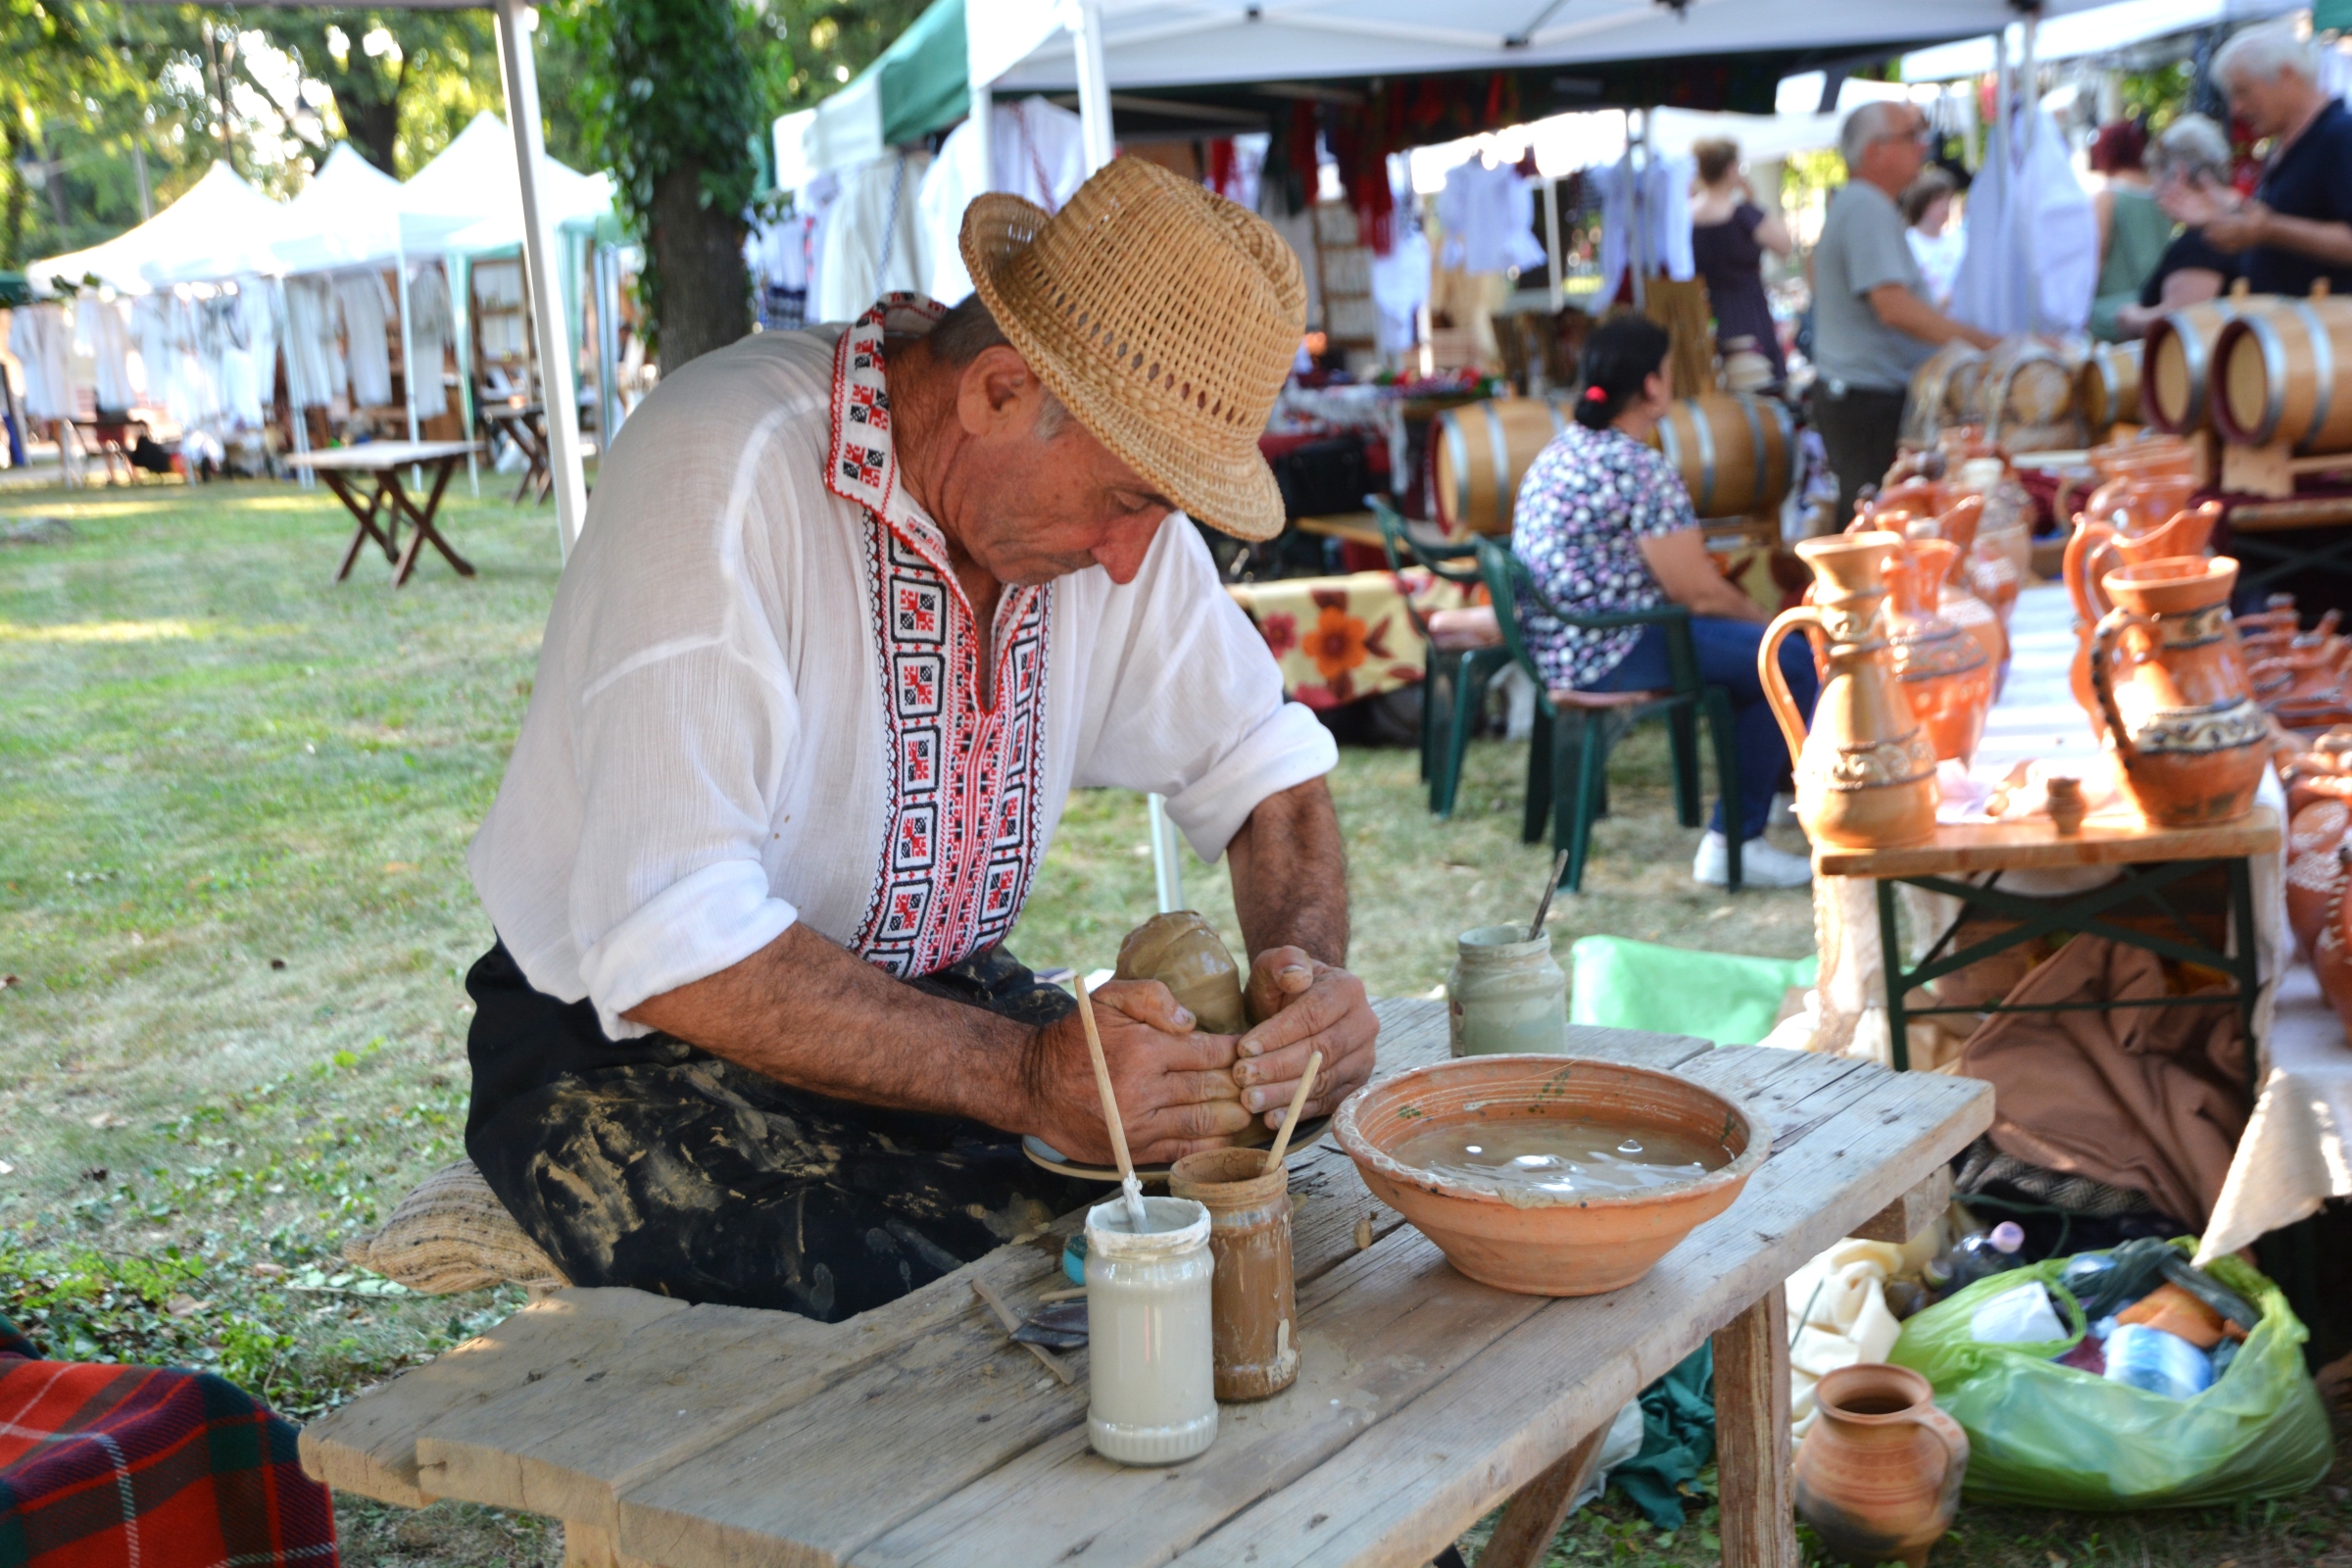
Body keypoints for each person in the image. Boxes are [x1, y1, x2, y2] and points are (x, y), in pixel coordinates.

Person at [461, 159, 1381, 1322]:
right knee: (1010, 1303)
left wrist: (1307, 977)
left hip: (923, 1004)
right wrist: (1028, 1078)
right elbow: (670, 933)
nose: (1133, 558)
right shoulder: (728, 467)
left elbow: (1269, 775)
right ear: (997, 392)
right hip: (626, 1051)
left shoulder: (1094, 503)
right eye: (1129, 503)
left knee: (1202, 1210)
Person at [1511, 317, 1820, 890]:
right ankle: (1735, 843)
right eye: (1668, 371)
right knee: (1787, 661)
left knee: (1761, 658)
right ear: (1651, 385)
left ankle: (1775, 801)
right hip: (1614, 646)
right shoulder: (1638, 466)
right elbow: (1695, 591)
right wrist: (1776, 625)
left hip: (1564, 644)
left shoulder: (1563, 451)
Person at [1810, 101, 1999, 531]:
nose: (1922, 146)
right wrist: (1984, 343)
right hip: (1866, 400)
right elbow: (1894, 307)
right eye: (1911, 136)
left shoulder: (1863, 205)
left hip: (1862, 396)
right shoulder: (1866, 207)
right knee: (1875, 525)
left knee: (1875, 519)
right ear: (1877, 151)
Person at [2167, 23, 2352, 298]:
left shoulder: (2340, 137)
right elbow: (2280, 222)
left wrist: (2269, 230)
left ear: (2286, 75)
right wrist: (2227, 214)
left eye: (2242, 91)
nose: (2236, 109)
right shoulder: (2285, 144)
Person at [2115, 115, 2240, 340]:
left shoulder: (2203, 241)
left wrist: (2131, 317)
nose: (2154, 191)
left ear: (2178, 173)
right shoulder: (2232, 225)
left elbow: (2182, 320)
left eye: (2156, 175)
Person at [1689, 137, 1793, 383]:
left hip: (1703, 312)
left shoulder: (1687, 215)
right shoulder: (1743, 214)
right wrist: (1753, 202)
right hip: (1748, 313)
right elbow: (1785, 246)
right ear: (1731, 169)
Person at [2087, 121, 2176, 342]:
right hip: (2157, 305)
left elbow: (2095, 259)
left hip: (2113, 316)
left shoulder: (2106, 197)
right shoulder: (2163, 196)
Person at [1902, 167, 1964, 311]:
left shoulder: (1960, 240)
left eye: (1949, 198)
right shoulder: (1905, 243)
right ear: (1921, 203)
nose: (1945, 206)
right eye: (1938, 199)